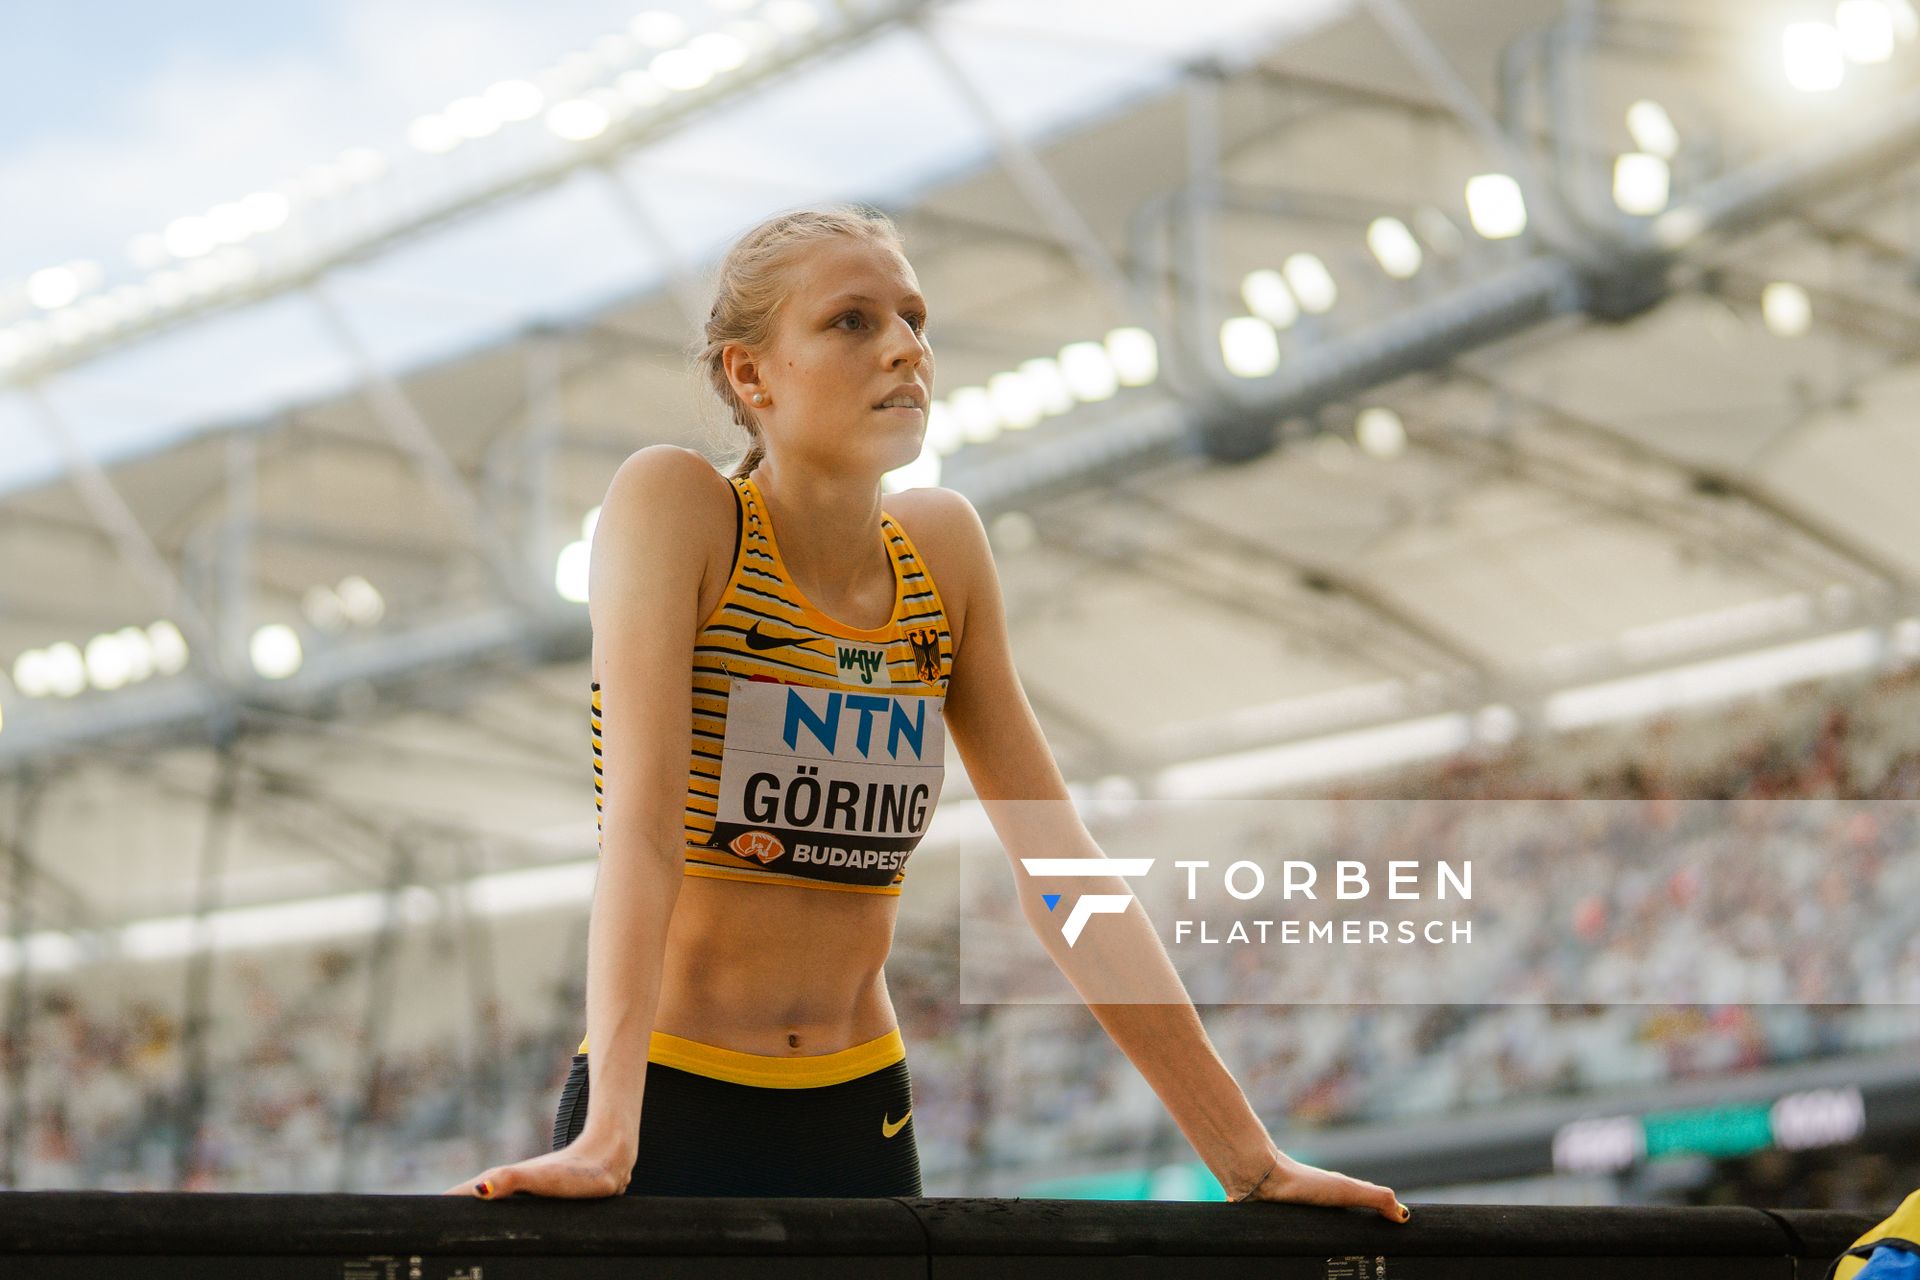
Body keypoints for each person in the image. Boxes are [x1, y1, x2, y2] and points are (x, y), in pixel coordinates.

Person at [443, 204, 1408, 1219]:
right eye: (851, 322)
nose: (906, 347)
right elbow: (640, 837)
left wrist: (1247, 1160)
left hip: (858, 1112)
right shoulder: (678, 508)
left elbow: (1063, 870)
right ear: (750, 375)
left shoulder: (941, 552)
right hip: (672, 1103)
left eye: (913, 318)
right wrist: (610, 1134)